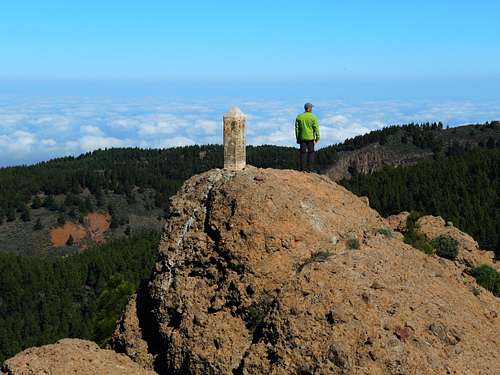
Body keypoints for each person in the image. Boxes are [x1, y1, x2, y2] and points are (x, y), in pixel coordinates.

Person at [295, 102, 320, 171]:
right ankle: (310, 169)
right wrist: (317, 137)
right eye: (311, 108)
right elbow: (316, 128)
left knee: (303, 153)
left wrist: (297, 138)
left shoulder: (299, 117)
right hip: (310, 138)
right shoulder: (313, 117)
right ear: (309, 108)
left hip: (302, 138)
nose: (312, 109)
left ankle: (303, 169)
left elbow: (297, 129)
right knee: (311, 153)